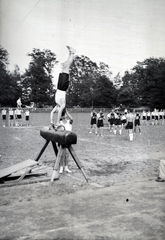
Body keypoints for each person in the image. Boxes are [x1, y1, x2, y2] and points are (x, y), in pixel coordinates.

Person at [50, 46, 76, 131]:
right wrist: (57, 122)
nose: (58, 111)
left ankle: (71, 53)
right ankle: (72, 53)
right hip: (63, 87)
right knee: (66, 67)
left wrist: (51, 122)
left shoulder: (57, 105)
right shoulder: (62, 105)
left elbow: (52, 112)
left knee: (64, 67)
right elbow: (60, 111)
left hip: (59, 87)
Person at [59, 108, 73, 174]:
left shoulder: (69, 122)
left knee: (67, 154)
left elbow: (72, 119)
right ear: (62, 116)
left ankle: (66, 167)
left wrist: (67, 112)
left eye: (66, 115)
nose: (65, 116)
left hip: (68, 139)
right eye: (64, 115)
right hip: (62, 139)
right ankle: (61, 167)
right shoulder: (60, 123)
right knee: (62, 154)